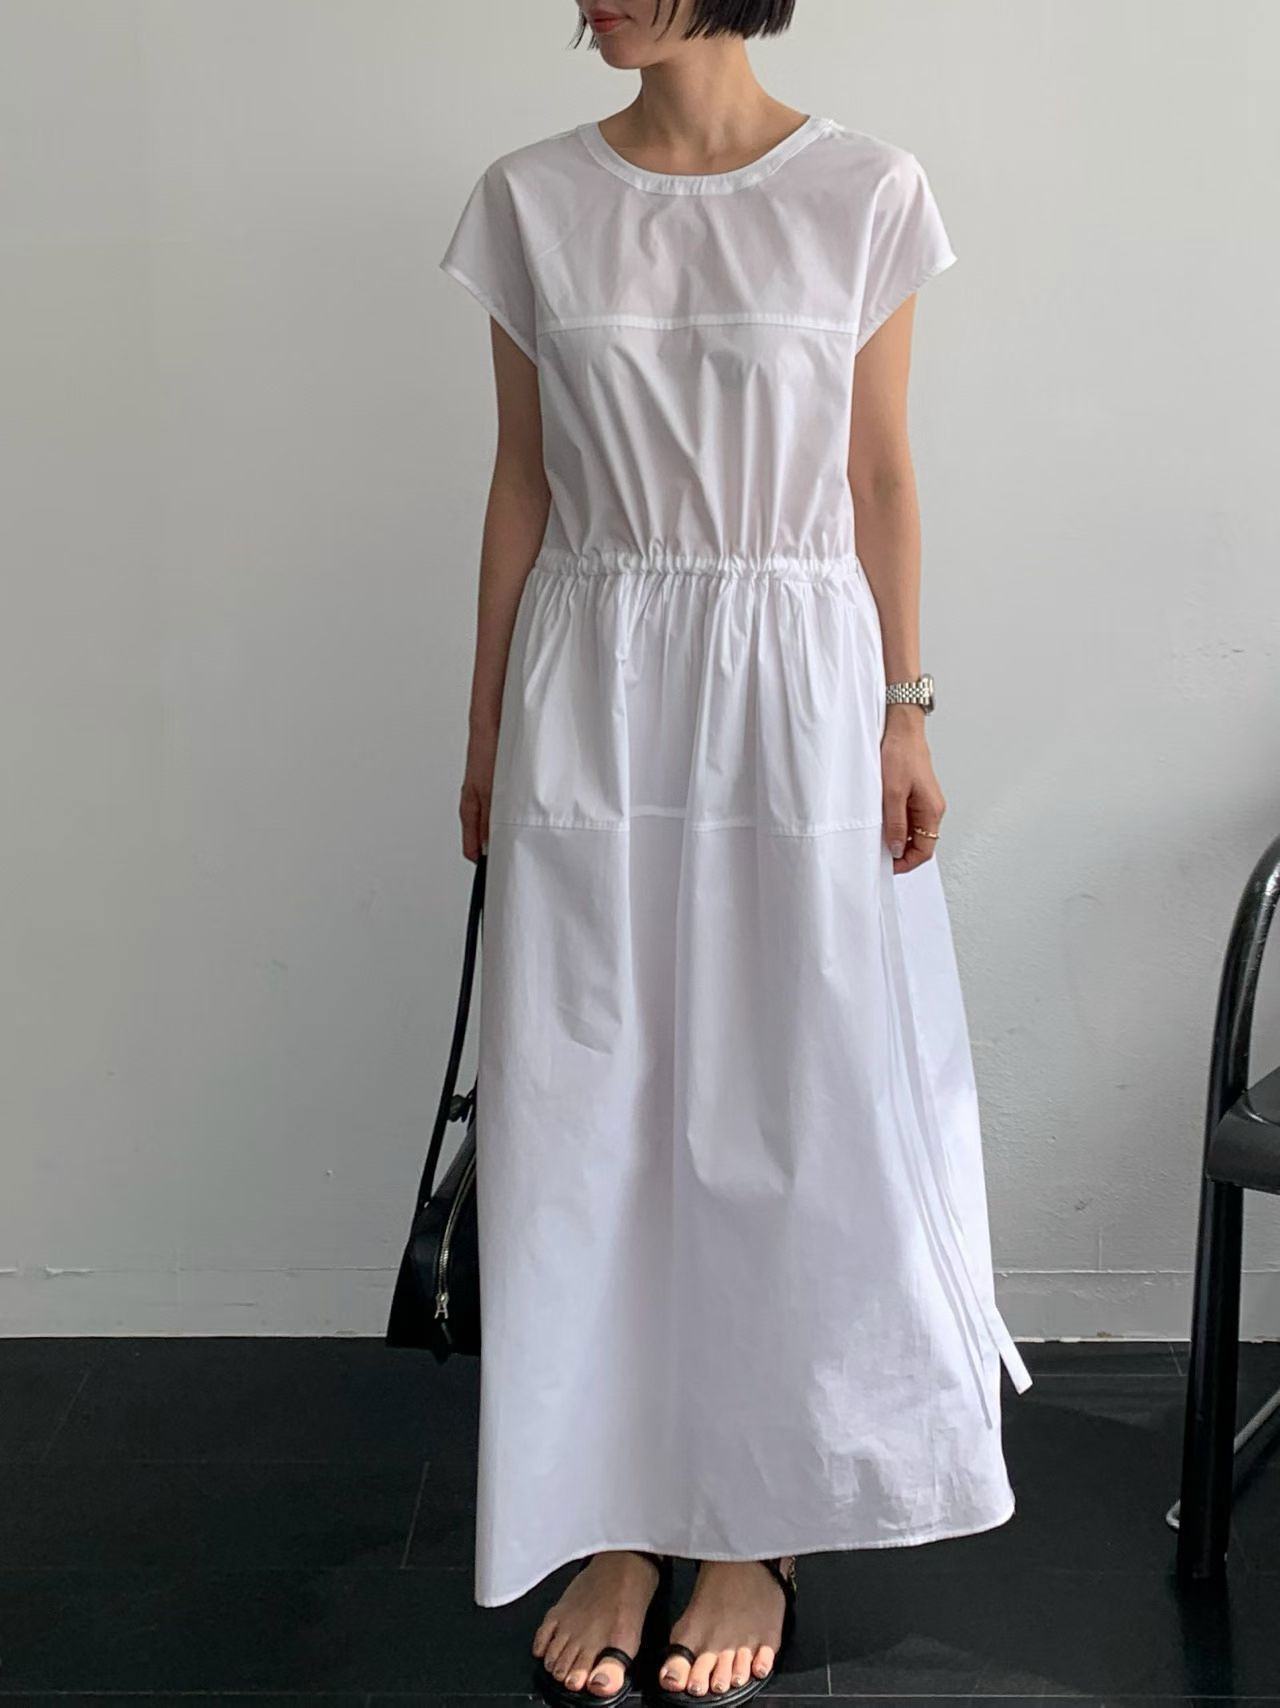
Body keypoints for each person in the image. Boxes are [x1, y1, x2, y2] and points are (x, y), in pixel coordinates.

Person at [437, 1, 1033, 1703]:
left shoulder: (864, 189)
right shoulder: (531, 198)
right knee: (592, 1106)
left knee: (790, 1097)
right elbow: (524, 484)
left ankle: (755, 1521)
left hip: (794, 683)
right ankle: (616, 1511)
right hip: (594, 679)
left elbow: (879, 477)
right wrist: (483, 730)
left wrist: (906, 712)